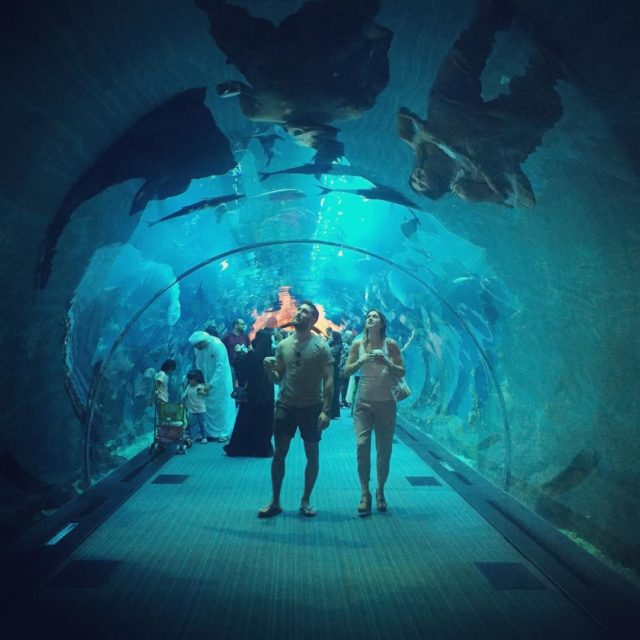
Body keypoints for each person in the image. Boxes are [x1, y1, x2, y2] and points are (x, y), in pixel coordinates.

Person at [397, 0, 563, 208]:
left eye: (413, 179)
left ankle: (493, 17)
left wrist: (414, 123)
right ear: (438, 187)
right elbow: (523, 200)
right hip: (488, 129)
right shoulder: (465, 185)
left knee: (464, 54)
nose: (417, 178)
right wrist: (486, 186)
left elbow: (401, 118)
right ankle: (547, 65)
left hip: (449, 103)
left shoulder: (421, 148)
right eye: (422, 185)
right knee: (532, 102)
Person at [258, 301, 334, 518]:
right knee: (279, 454)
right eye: (299, 310)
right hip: (286, 406)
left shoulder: (321, 346)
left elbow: (329, 380)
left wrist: (326, 410)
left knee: (312, 454)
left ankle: (306, 499)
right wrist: (269, 371)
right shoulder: (283, 345)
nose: (299, 313)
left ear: (313, 319)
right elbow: (279, 378)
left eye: (305, 312)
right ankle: (275, 501)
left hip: (312, 407)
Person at [343, 310, 405, 516]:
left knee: (384, 450)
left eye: (375, 316)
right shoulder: (358, 344)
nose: (371, 318)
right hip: (363, 403)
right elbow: (346, 371)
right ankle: (364, 492)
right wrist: (361, 361)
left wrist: (387, 362)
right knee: (362, 445)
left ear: (382, 323)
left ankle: (380, 490)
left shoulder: (391, 344)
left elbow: (401, 371)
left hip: (386, 403)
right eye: (368, 316)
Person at [224, 328, 276, 458]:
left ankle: (243, 447)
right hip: (267, 391)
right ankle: (262, 448)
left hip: (253, 391)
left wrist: (238, 353)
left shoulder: (252, 355)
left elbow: (239, 366)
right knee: (265, 420)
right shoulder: (272, 355)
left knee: (247, 419)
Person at [188, 330, 236, 443]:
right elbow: (199, 364)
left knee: (222, 407)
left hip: (221, 382)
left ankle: (225, 433)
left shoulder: (218, 346)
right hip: (206, 381)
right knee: (209, 407)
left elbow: (220, 368)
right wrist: (202, 381)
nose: (196, 348)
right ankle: (209, 433)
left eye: (197, 345)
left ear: (203, 342)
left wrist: (211, 384)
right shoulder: (198, 349)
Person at [183, 369, 210, 443]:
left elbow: (207, 393)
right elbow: (185, 395)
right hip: (191, 409)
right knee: (191, 423)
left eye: (192, 379)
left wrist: (202, 392)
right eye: (189, 379)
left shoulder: (200, 386)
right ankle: (192, 437)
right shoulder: (188, 386)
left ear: (196, 379)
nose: (190, 381)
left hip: (201, 409)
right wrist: (184, 397)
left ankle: (204, 437)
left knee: (202, 424)